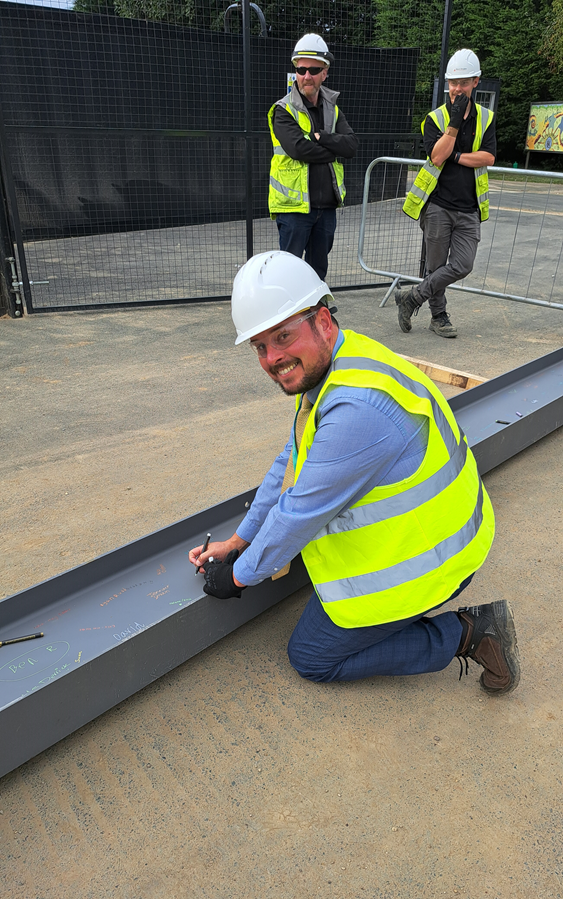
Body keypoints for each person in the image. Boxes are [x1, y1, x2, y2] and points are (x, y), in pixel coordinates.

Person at [189, 250, 520, 696]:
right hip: (438, 534)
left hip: (431, 565)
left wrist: (237, 575)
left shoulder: (358, 411)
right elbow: (293, 460)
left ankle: (471, 633)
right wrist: (239, 540)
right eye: (261, 346)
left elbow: (298, 513)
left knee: (312, 656)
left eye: (283, 336)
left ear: (322, 322)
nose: (272, 358)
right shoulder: (342, 359)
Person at [397, 49, 496, 338]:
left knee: (463, 265)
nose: (457, 89)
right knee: (436, 266)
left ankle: (412, 297)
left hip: (469, 208)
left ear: (476, 82)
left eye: (463, 83)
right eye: (453, 83)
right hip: (438, 205)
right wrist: (453, 123)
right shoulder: (435, 119)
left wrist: (457, 155)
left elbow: (488, 157)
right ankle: (439, 316)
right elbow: (437, 156)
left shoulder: (486, 118)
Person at [267, 33, 358, 281]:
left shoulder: (333, 109)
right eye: (302, 68)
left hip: (326, 208)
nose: (307, 75)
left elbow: (351, 146)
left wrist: (322, 137)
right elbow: (299, 149)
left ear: (325, 72)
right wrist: (332, 147)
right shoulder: (283, 110)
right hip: (294, 209)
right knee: (289, 272)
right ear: (296, 70)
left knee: (318, 271)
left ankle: (315, 315)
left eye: (314, 69)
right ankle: (289, 318)